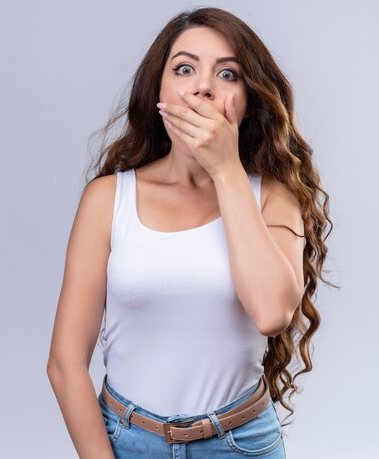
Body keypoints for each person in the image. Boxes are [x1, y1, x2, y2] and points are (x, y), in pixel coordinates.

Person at [46, 6, 335, 459]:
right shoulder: (107, 200)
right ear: (158, 90)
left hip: (241, 445)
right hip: (124, 442)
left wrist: (226, 169)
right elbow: (65, 363)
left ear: (247, 98)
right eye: (185, 68)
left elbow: (271, 313)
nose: (204, 86)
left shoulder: (274, 198)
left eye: (228, 74)